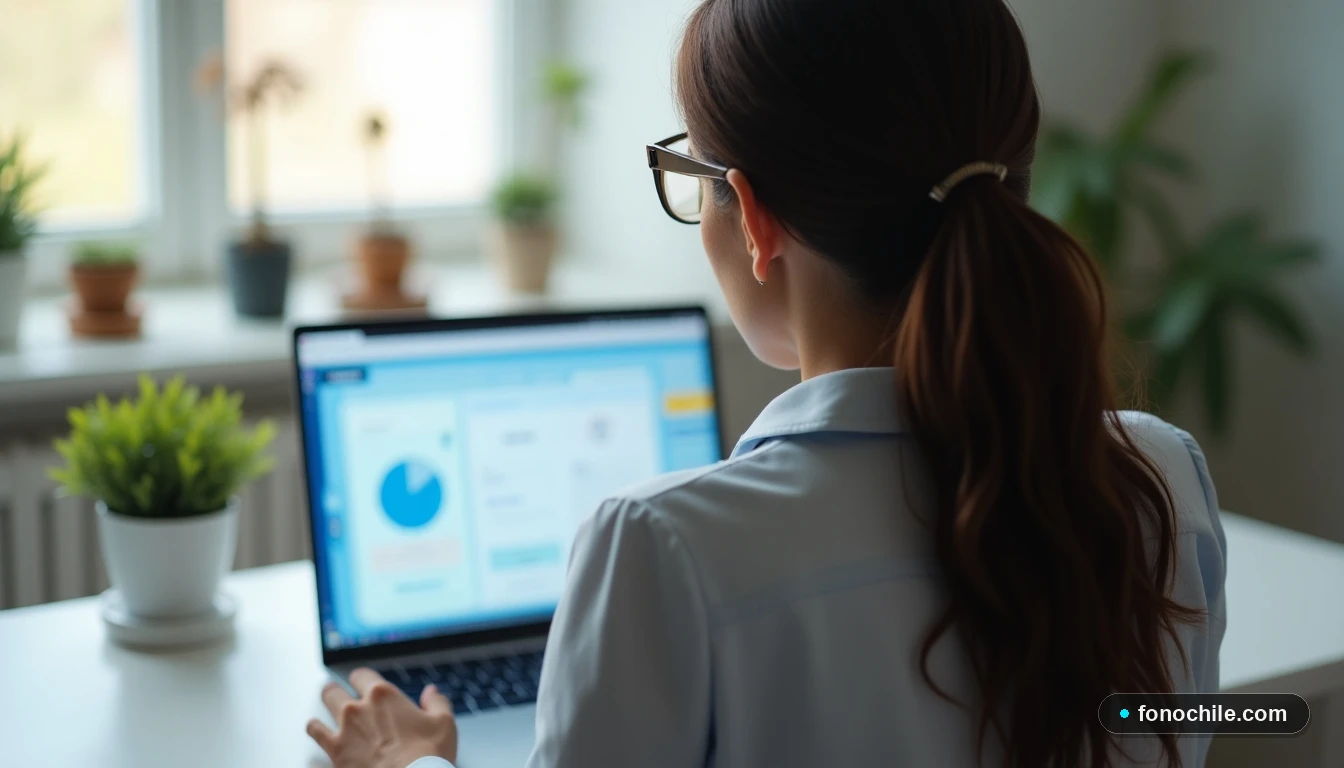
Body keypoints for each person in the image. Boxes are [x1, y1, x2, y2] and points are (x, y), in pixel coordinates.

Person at [304, 0, 1227, 765]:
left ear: (750, 216)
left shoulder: (664, 548)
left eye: (692, 174)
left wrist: (409, 762)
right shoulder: (1162, 479)